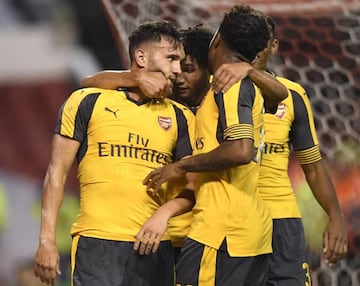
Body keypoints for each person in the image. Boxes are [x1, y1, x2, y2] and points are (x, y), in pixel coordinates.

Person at [33, 20, 195, 286]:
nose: (178, 69)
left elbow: (193, 188)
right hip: (97, 242)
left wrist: (162, 215)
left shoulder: (181, 117)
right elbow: (56, 172)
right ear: (141, 57)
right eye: (171, 58)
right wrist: (46, 240)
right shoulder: (88, 100)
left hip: (153, 245)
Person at [142, 5, 288, 286]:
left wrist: (180, 166)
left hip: (220, 233)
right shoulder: (243, 85)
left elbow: (240, 150)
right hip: (248, 232)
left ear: (218, 38)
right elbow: (279, 94)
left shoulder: (229, 87)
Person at [211, 15, 348, 285]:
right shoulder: (216, 85)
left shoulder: (292, 95)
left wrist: (335, 215)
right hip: (231, 217)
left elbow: (313, 166)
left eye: (260, 41)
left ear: (272, 45)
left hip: (281, 219)